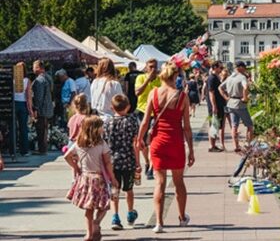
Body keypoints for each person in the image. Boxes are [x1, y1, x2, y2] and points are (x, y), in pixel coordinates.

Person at [137, 62, 194, 233]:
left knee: (159, 183)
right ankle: (182, 217)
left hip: (158, 143)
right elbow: (187, 127)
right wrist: (191, 149)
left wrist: (139, 139)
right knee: (178, 182)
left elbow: (146, 121)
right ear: (175, 76)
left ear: (162, 76)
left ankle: (159, 223)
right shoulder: (182, 97)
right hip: (175, 142)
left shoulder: (153, 94)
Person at [64, 115, 118, 241]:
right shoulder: (101, 143)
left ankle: (88, 234)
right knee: (103, 206)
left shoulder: (79, 142)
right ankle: (97, 222)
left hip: (85, 178)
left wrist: (76, 167)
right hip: (98, 179)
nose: (103, 129)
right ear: (95, 129)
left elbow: (67, 156)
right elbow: (108, 162)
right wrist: (112, 177)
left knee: (88, 209)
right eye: (101, 127)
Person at [104, 94, 140, 231]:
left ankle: (115, 216)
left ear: (111, 107)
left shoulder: (107, 123)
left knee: (114, 190)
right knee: (129, 189)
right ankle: (130, 212)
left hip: (112, 162)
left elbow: (105, 143)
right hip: (128, 160)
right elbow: (134, 143)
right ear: (129, 107)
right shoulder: (131, 121)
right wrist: (138, 162)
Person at [134, 58, 160, 180]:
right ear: (146, 67)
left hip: (155, 114)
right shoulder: (141, 78)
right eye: (150, 66)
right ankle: (147, 162)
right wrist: (148, 80)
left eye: (154, 66)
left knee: (153, 140)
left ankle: (151, 168)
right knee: (143, 142)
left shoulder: (160, 80)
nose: (153, 69)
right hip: (142, 111)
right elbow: (137, 92)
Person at [219, 61, 254, 152]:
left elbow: (220, 87)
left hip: (230, 103)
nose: (245, 69)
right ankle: (249, 145)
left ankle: (236, 146)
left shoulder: (230, 77)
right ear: (240, 67)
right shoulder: (242, 77)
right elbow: (245, 87)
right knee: (249, 125)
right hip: (240, 103)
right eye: (244, 67)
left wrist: (226, 97)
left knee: (234, 126)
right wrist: (245, 98)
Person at [32, 60, 54, 155]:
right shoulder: (48, 77)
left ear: (39, 68)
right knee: (45, 130)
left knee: (40, 129)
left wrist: (36, 108)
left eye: (34, 67)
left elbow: (39, 96)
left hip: (42, 109)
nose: (33, 69)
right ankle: (43, 148)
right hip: (48, 107)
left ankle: (42, 149)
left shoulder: (39, 80)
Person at [12, 62, 34, 156]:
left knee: (12, 127)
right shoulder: (27, 80)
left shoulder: (12, 80)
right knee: (23, 128)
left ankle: (12, 150)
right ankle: (24, 150)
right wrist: (30, 109)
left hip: (13, 104)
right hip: (23, 104)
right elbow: (28, 96)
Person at [206, 62, 226, 152]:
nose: (221, 69)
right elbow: (211, 92)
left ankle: (213, 145)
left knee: (216, 125)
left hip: (218, 104)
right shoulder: (211, 78)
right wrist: (214, 106)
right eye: (220, 67)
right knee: (213, 124)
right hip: (215, 105)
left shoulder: (215, 77)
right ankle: (211, 146)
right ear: (215, 67)